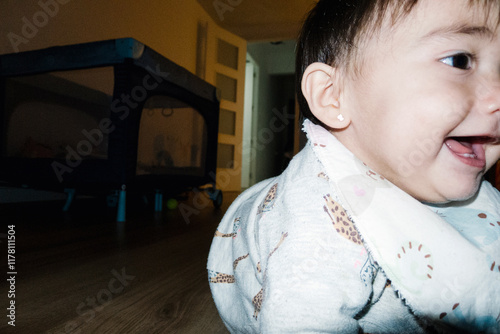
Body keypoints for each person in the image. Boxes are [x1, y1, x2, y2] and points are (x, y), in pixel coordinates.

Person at [207, 0, 500, 332]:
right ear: (334, 95)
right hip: (246, 249)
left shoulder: (478, 198)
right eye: (459, 61)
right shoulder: (318, 219)